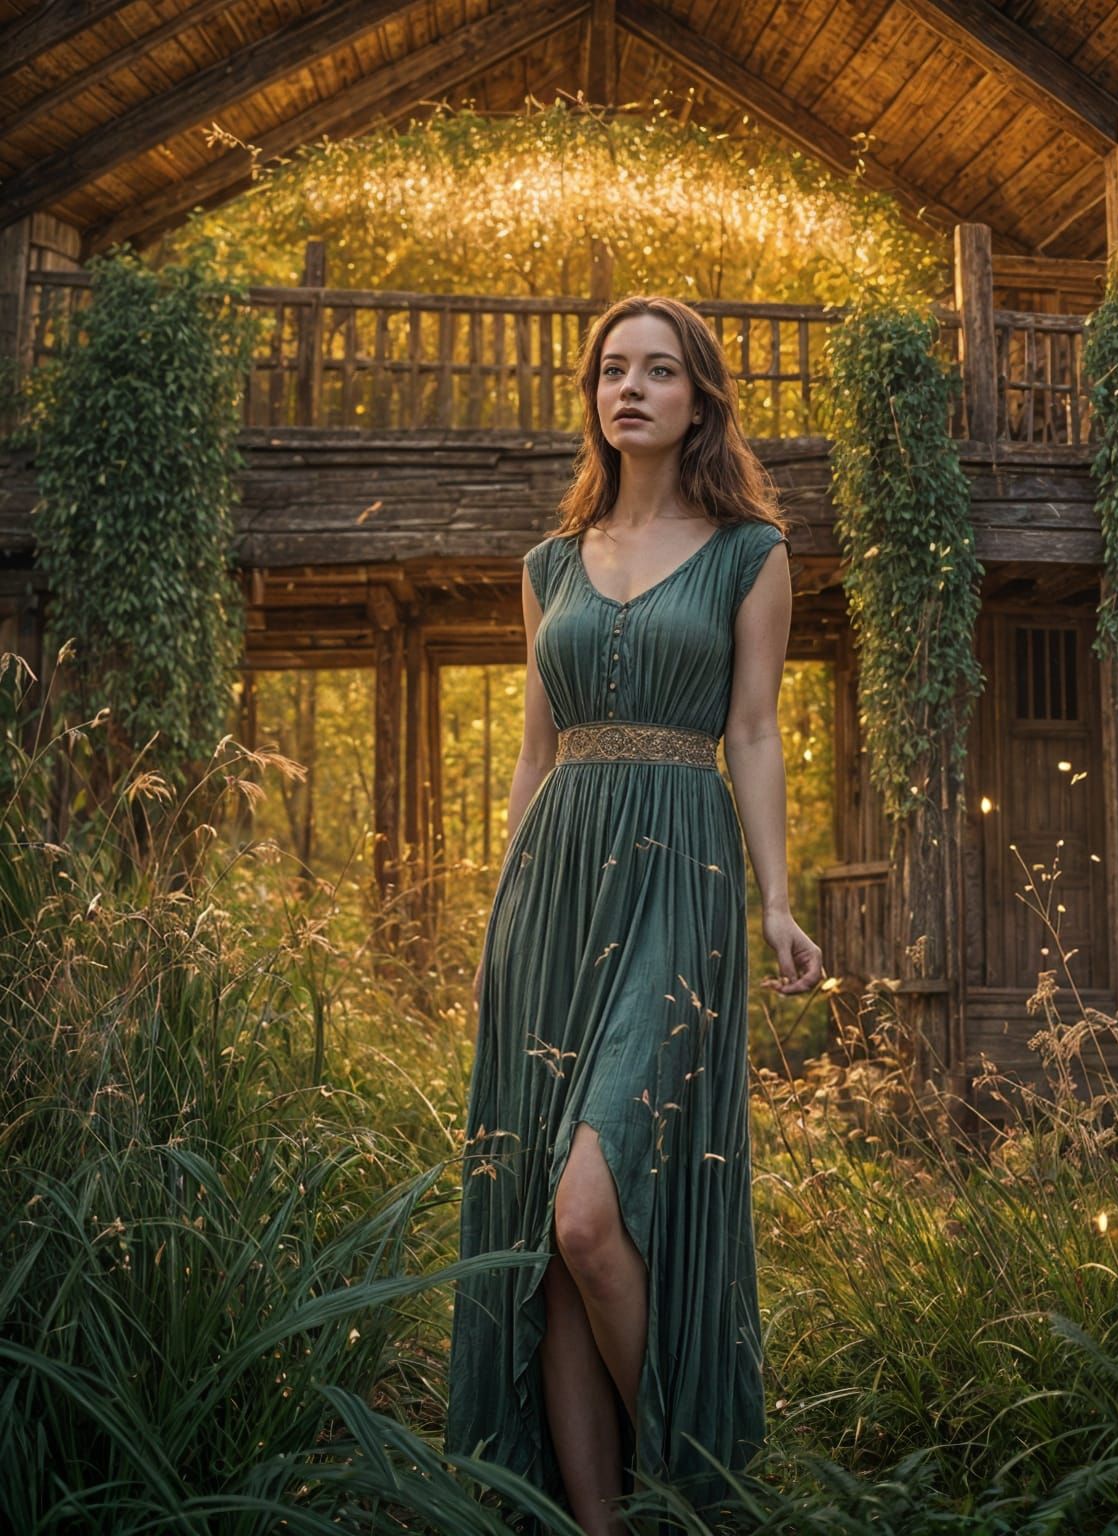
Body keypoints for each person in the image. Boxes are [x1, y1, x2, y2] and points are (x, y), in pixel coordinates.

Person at [445, 294, 823, 1534]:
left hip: (682, 877)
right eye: (614, 369)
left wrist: (777, 901)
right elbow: (533, 752)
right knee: (545, 1245)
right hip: (551, 895)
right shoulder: (546, 567)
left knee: (589, 1215)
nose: (633, 388)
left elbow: (756, 732)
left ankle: (692, 1474)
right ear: (595, 396)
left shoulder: (750, 551)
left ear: (699, 398)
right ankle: (601, 1526)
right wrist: (506, 902)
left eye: (661, 371)